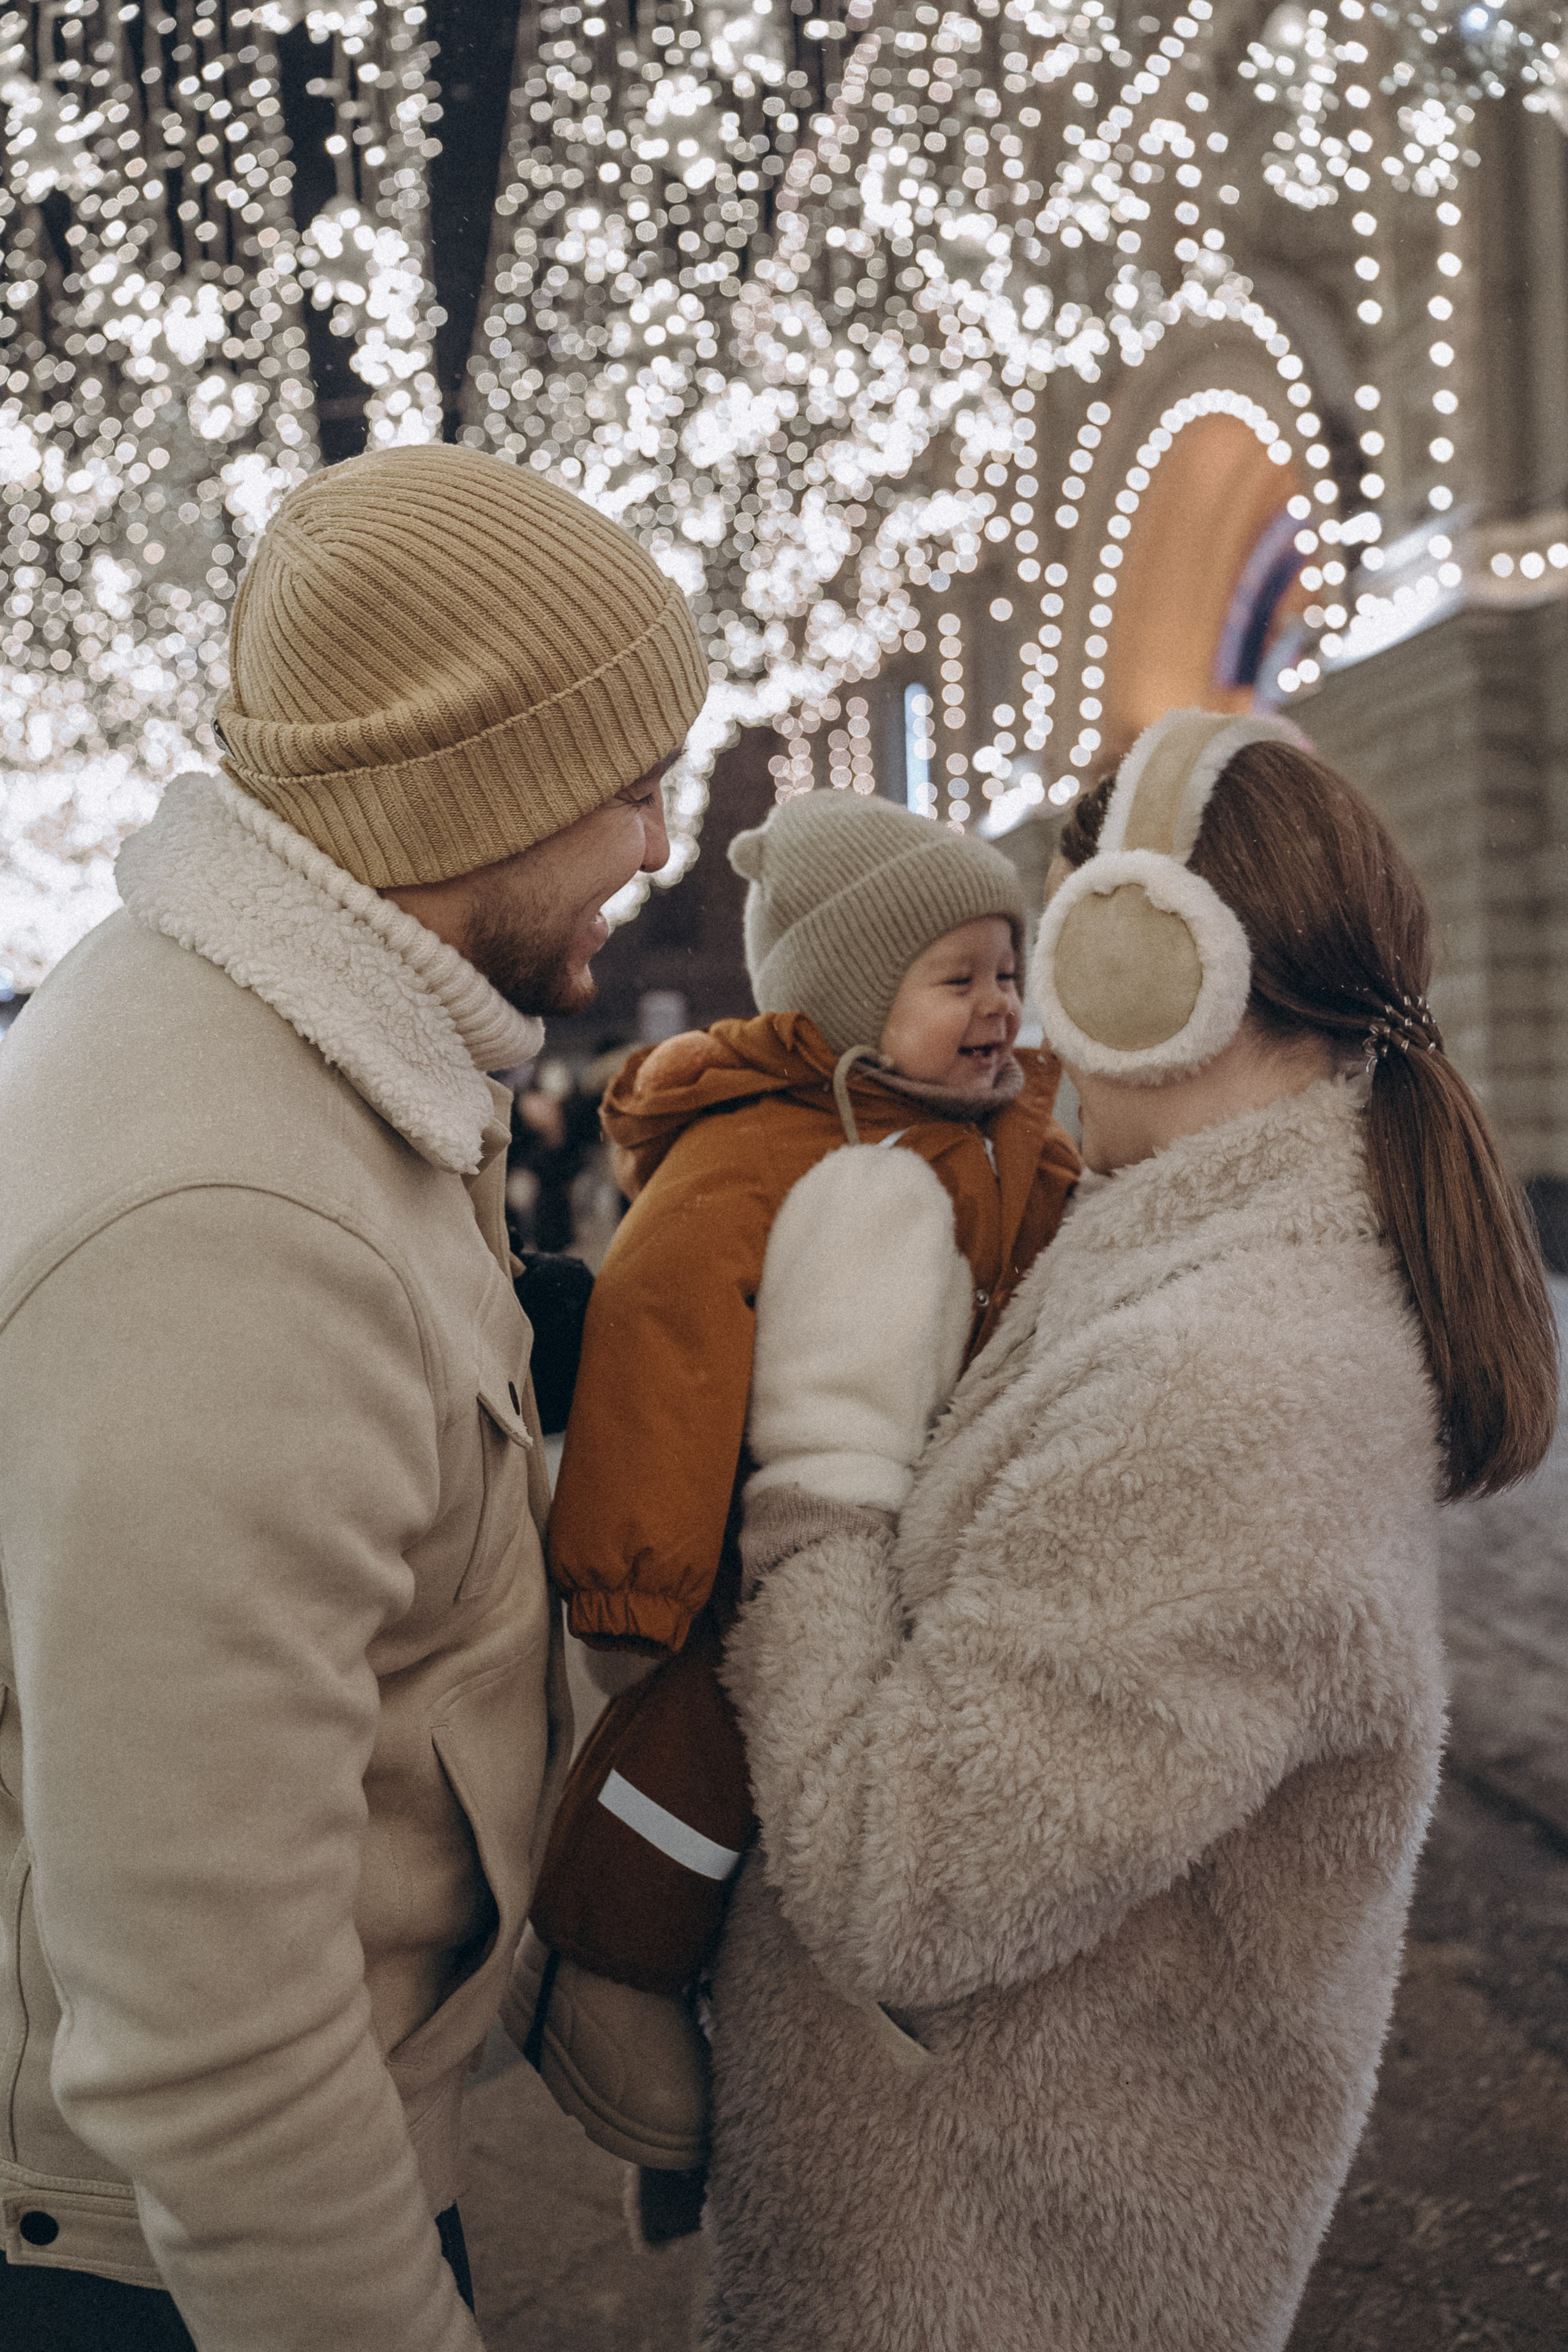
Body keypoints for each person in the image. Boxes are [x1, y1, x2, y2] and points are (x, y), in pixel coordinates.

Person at [699, 710, 1558, 2350]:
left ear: (1158, 965)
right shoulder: (1169, 1258)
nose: (1036, 1025)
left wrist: (819, 1478)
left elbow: (905, 1880)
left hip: (983, 2275)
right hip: (985, 2229)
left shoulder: (1228, 1379)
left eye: (1063, 940)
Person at [0, 442, 706, 2351]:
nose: (664, 841)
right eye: (634, 785)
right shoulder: (224, 1218)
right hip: (198, 2271)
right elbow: (214, 2047)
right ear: (484, 791)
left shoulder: (314, 1045)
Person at [514, 792, 1079, 2219]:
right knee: (705, 1746)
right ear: (847, 996)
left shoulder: (1016, 1130)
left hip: (922, 1525)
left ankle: (773, 2039)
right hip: (754, 1531)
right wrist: (634, 1586)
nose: (996, 1007)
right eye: (954, 981)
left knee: (845, 1813)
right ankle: (606, 1962)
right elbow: (658, 1343)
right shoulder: (756, 1148)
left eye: (1006, 973)